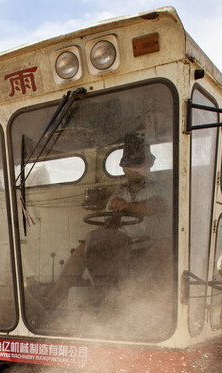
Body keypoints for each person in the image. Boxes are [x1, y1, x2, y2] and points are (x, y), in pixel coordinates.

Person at [48, 132, 170, 308]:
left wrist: (127, 206)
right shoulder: (118, 194)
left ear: (149, 164)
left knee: (165, 246)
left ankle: (139, 306)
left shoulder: (160, 188)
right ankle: (54, 300)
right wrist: (105, 228)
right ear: (123, 168)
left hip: (150, 245)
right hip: (123, 246)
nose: (135, 168)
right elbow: (109, 223)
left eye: (140, 163)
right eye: (130, 164)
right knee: (85, 247)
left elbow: (155, 205)